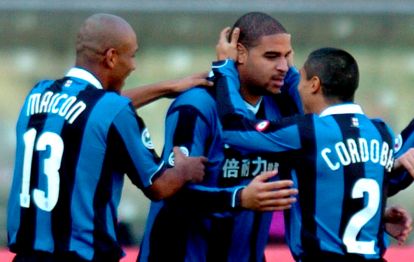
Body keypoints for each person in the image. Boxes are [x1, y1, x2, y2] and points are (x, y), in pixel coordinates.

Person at [7, 13, 208, 262]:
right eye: (132, 55)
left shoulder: (36, 94)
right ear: (111, 57)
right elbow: (160, 186)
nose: (133, 65)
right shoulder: (111, 111)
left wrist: (167, 87)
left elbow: (96, 110)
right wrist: (186, 169)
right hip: (83, 256)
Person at [212, 44, 414, 261]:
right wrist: (378, 218)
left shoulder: (307, 130)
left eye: (300, 79)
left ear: (314, 84)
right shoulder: (380, 132)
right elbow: (370, 184)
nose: (297, 87)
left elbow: (235, 131)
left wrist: (225, 68)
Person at [137, 12, 300, 262]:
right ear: (240, 54)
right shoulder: (196, 105)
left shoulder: (283, 107)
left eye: (287, 56)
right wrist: (239, 198)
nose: (283, 67)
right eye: (271, 56)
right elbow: (172, 194)